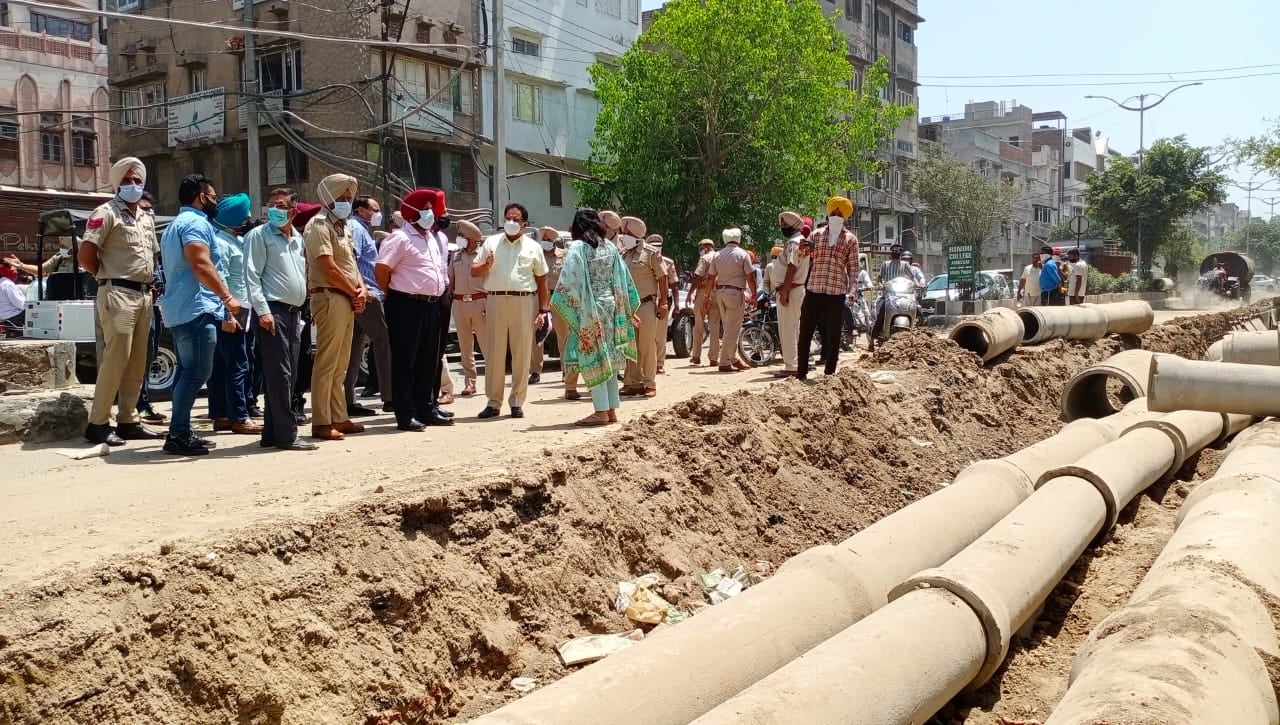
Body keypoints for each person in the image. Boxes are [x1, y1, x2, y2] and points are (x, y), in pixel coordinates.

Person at [78, 157, 163, 447]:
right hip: (118, 293)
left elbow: (152, 255)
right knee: (115, 360)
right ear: (116, 183)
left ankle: (128, 420)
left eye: (137, 180)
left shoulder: (146, 217)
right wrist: (106, 277)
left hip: (143, 294)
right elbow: (86, 255)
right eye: (127, 180)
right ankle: (98, 423)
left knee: (137, 362)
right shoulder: (106, 212)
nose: (133, 185)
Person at [159, 173, 242, 455]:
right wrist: (227, 297)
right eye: (214, 197)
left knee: (187, 371)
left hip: (183, 308)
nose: (216, 202)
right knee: (196, 373)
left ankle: (180, 428)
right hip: (196, 308)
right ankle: (178, 434)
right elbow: (201, 263)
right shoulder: (195, 223)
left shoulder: (176, 224)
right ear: (202, 197)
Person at [550, 208, 640, 427]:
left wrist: (565, 304)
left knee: (595, 358)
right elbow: (624, 278)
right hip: (612, 308)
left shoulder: (578, 247)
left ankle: (600, 411)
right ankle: (610, 410)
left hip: (591, 309)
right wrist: (628, 310)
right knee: (609, 359)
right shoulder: (610, 246)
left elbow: (568, 281)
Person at [244, 188, 316, 452]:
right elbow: (252, 275)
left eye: (281, 205)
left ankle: (273, 432)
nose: (274, 209)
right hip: (273, 312)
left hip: (295, 312)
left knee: (289, 374)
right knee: (280, 374)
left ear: (293, 211)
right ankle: (287, 435)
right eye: (271, 204)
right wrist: (262, 311)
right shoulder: (259, 235)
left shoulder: (297, 238)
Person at [375, 188, 453, 431]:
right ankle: (405, 413)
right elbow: (382, 269)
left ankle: (426, 408)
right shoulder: (400, 238)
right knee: (405, 361)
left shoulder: (430, 237)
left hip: (431, 304)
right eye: (426, 209)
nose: (431, 213)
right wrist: (394, 292)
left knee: (428, 360)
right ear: (413, 213)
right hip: (406, 304)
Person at [304, 173, 368, 441]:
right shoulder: (318, 225)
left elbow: (351, 263)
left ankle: (339, 416)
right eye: (341, 197)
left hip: (346, 297)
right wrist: (353, 291)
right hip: (330, 297)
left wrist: (361, 288)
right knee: (327, 362)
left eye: (349, 198)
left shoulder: (344, 226)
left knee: (341, 362)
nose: (346, 202)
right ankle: (321, 421)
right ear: (328, 197)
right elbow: (328, 267)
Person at [471, 202, 549, 419]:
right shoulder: (491, 242)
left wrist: (543, 309)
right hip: (495, 299)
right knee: (495, 353)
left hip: (524, 301)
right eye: (508, 218)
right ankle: (493, 402)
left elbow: (542, 280)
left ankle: (517, 401)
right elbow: (474, 270)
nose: (511, 222)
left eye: (516, 219)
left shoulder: (533, 247)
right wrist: (486, 265)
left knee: (521, 352)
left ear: (524, 224)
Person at [207, 193, 261, 435]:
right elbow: (221, 280)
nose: (248, 219)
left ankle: (221, 414)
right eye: (245, 215)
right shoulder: (221, 243)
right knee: (238, 364)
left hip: (242, 308)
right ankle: (240, 416)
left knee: (223, 364)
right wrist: (227, 314)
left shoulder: (236, 240)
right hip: (232, 310)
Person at [788, 196, 859, 380]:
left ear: (845, 216)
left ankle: (829, 373)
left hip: (836, 292)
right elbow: (801, 257)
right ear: (829, 213)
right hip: (814, 289)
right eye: (833, 212)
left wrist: (852, 290)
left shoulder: (851, 240)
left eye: (840, 213)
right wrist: (801, 249)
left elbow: (854, 268)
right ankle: (801, 373)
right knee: (805, 332)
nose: (836, 215)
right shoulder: (816, 235)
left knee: (834, 335)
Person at [341, 196, 394, 417]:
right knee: (384, 342)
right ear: (361, 211)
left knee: (354, 348)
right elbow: (352, 261)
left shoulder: (362, 229)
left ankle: (348, 400)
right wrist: (363, 290)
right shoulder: (355, 228)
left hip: (362, 294)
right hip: (367, 294)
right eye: (374, 209)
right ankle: (390, 397)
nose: (378, 213)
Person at [619, 217, 668, 397]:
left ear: (636, 234)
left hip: (645, 304)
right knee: (630, 346)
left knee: (647, 345)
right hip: (627, 307)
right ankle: (634, 383)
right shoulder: (623, 254)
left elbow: (662, 277)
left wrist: (663, 302)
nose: (623, 236)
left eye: (627, 233)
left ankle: (649, 383)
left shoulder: (651, 253)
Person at [133, 191, 167, 424]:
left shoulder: (152, 237)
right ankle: (137, 405)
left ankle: (143, 403)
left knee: (149, 354)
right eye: (145, 209)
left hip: (153, 304)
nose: (150, 213)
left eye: (151, 209)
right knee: (136, 357)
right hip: (134, 301)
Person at [709, 227, 756, 372]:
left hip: (720, 293)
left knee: (728, 328)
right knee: (732, 330)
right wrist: (754, 294)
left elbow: (711, 277)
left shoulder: (717, 255)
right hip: (735, 293)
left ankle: (733, 359)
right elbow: (750, 277)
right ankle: (724, 361)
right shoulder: (742, 254)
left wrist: (707, 296)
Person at [450, 219, 487, 397]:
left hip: (480, 302)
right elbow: (450, 280)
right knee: (465, 346)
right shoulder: (456, 255)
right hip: (459, 303)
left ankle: (493, 381)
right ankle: (470, 382)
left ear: (471, 238)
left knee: (487, 344)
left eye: (461, 235)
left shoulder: (483, 255)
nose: (458, 238)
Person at [773, 211, 809, 378]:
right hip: (795, 289)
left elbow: (792, 267)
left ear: (793, 226)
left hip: (791, 289)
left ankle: (792, 366)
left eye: (785, 226)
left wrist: (785, 290)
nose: (783, 228)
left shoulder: (794, 243)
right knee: (794, 328)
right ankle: (797, 363)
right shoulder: (801, 242)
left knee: (788, 329)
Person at [529, 225, 564, 387]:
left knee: (563, 335)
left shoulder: (564, 255)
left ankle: (566, 369)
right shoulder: (536, 256)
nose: (545, 242)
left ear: (554, 241)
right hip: (539, 298)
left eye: (548, 240)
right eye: (543, 239)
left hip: (558, 297)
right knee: (537, 335)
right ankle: (536, 371)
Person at [688, 238, 718, 366]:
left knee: (698, 324)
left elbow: (697, 276)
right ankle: (714, 358)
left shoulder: (704, 258)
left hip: (703, 291)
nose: (701, 251)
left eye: (701, 248)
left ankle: (696, 355)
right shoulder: (720, 257)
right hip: (717, 292)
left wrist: (690, 293)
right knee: (715, 326)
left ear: (706, 247)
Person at [0, 262, 25, 331]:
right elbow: (20, 304)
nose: (16, 272)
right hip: (13, 316)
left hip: (3, 316)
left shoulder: (2, 282)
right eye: (15, 270)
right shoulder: (7, 284)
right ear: (7, 271)